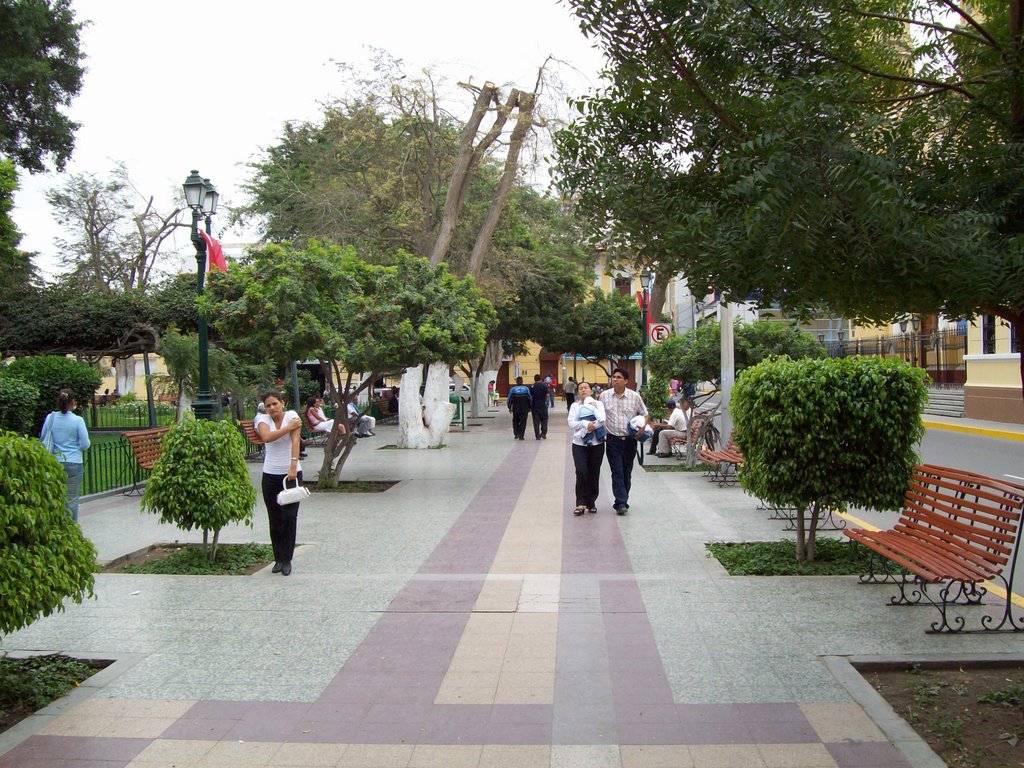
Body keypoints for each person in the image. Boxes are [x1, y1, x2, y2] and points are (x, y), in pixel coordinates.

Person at [254, 390, 303, 576]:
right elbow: (267, 437)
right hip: (270, 474)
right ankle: (278, 558)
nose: (272, 407)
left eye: (275, 403)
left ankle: (287, 559)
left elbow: (296, 440)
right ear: (265, 408)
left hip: (291, 474)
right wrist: (288, 427)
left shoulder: (292, 416)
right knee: (275, 519)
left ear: (283, 402)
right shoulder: (262, 420)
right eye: (268, 405)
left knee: (289, 517)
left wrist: (293, 466)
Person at [599, 367, 649, 515]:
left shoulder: (635, 397)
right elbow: (599, 416)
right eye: (614, 377)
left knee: (627, 472)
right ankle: (620, 502)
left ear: (626, 381)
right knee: (617, 471)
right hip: (612, 440)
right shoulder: (604, 396)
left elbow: (645, 414)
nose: (615, 379)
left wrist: (642, 427)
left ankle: (623, 499)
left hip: (629, 441)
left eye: (619, 377)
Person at [40, 389, 90, 521]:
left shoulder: (51, 418)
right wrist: (75, 448)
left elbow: (43, 437)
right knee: (72, 499)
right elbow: (85, 444)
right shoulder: (77, 420)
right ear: (73, 402)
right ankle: (71, 528)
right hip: (74, 462)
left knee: (56, 496)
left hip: (55, 462)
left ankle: (58, 524)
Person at [567, 382, 606, 515]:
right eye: (581, 388)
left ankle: (591, 502)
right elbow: (572, 423)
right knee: (581, 471)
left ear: (591, 391)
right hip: (579, 444)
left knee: (594, 472)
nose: (583, 390)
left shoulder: (598, 404)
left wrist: (593, 425)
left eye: (586, 388)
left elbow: (602, 419)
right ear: (578, 392)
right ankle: (580, 503)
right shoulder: (575, 406)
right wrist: (585, 423)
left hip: (597, 444)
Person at [506, 375, 533, 440]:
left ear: (516, 382)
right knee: (523, 422)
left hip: (516, 408)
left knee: (515, 421)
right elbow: (530, 399)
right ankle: (521, 436)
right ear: (522, 381)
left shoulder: (512, 389)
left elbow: (509, 399)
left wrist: (509, 407)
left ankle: (516, 433)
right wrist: (530, 407)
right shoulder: (526, 389)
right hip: (524, 408)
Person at [529, 374, 549, 440]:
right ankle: (543, 433)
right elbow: (547, 395)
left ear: (534, 379)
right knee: (544, 419)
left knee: (536, 421)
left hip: (534, 406)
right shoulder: (544, 386)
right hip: (543, 405)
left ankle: (537, 435)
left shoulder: (532, 386)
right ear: (540, 379)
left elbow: (529, 396)